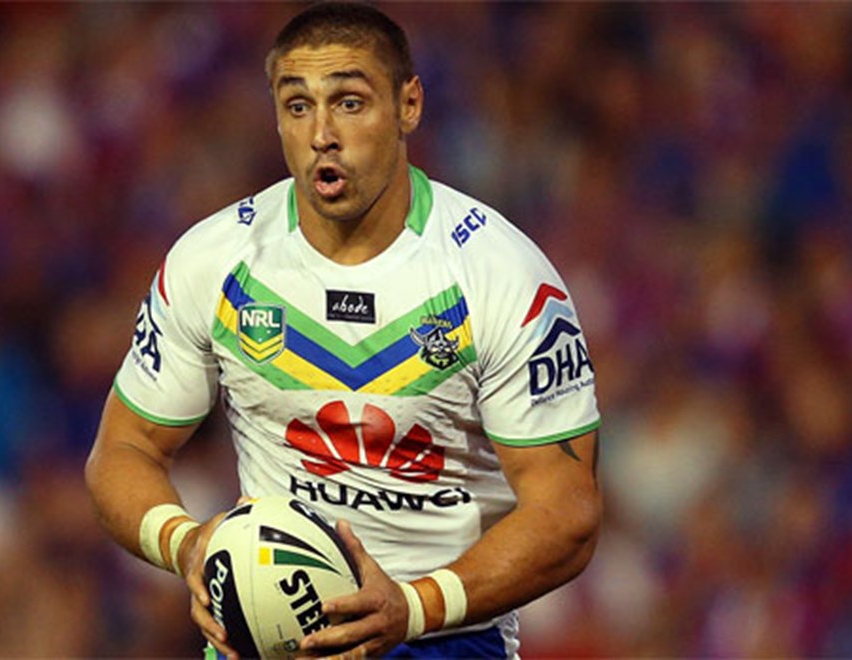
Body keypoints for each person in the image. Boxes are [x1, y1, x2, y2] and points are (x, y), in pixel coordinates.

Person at [85, 3, 601, 657]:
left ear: (408, 105)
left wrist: (412, 608)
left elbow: (568, 513)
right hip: (264, 638)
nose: (322, 134)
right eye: (297, 106)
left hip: (442, 637)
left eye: (349, 103)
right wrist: (187, 545)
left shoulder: (502, 277)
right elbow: (123, 450)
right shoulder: (213, 261)